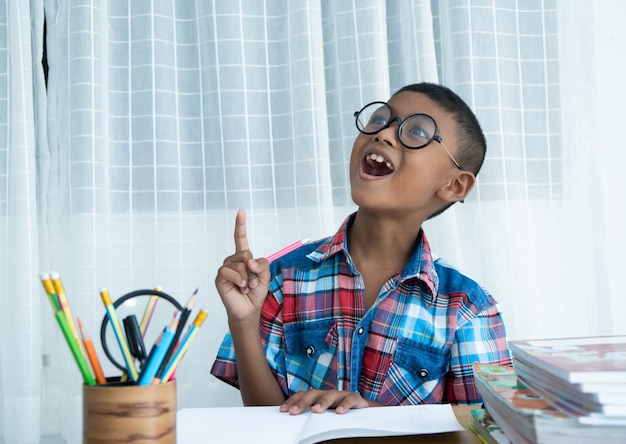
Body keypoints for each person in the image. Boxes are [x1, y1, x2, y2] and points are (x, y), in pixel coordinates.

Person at [210, 82, 511, 415]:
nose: (383, 134)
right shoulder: (281, 279)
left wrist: (380, 424)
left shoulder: (469, 310)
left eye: (417, 131)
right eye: (381, 118)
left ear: (455, 185)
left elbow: (488, 430)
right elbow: (264, 418)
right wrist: (244, 322)